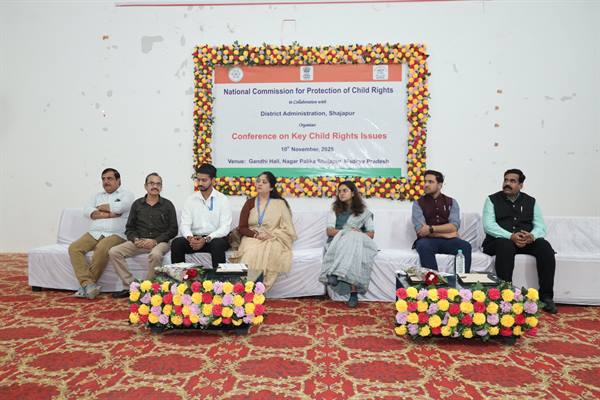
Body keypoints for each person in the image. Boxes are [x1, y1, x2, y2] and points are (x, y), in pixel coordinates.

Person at [482, 168, 557, 313]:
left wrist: (531, 236)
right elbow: (489, 225)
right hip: (499, 241)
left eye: (512, 181)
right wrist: (510, 236)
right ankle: (505, 296)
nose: (507, 183)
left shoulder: (531, 201)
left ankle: (546, 297)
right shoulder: (491, 200)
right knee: (505, 245)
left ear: (521, 185)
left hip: (525, 241)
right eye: (506, 180)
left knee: (545, 247)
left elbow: (540, 226)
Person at [108, 173, 178, 298]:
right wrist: (135, 239)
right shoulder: (137, 204)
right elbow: (129, 228)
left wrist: (155, 241)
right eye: (151, 183)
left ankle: (147, 288)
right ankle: (131, 286)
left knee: (155, 254)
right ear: (145, 186)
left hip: (160, 242)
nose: (155, 186)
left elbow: (173, 230)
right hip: (140, 241)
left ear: (161, 187)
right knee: (114, 251)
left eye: (158, 184)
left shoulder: (168, 205)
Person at [68, 168, 134, 299]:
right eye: (103, 179)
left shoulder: (127, 195)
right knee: (74, 248)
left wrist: (100, 208)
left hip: (117, 234)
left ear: (118, 181)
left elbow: (121, 207)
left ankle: (87, 286)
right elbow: (87, 211)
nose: (106, 181)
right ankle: (88, 284)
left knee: (102, 248)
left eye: (110, 178)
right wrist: (110, 214)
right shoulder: (96, 196)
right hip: (95, 232)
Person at [230, 171, 297, 291]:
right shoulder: (250, 203)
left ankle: (261, 289)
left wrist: (271, 234)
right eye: (258, 181)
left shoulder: (280, 204)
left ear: (271, 187)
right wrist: (256, 234)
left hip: (273, 237)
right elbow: (242, 227)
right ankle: (246, 288)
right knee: (250, 253)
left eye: (264, 182)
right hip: (252, 237)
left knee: (274, 250)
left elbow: (287, 228)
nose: (259, 184)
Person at [319, 181, 377, 308]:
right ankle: (353, 294)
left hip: (358, 243)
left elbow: (371, 234)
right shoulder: (335, 209)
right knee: (351, 239)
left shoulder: (363, 211)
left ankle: (335, 273)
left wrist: (356, 234)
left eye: (344, 190)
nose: (341, 193)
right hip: (337, 242)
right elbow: (330, 231)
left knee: (353, 241)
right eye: (339, 191)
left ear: (353, 193)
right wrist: (347, 232)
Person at [170, 164, 232, 268]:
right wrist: (190, 238)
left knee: (218, 244)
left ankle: (219, 278)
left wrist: (206, 239)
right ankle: (179, 277)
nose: (200, 183)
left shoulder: (223, 200)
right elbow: (184, 225)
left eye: (204, 180)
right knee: (177, 243)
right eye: (198, 180)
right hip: (194, 239)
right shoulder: (190, 200)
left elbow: (225, 228)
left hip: (213, 239)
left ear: (213, 180)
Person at [411, 170, 472, 272]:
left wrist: (431, 229)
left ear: (440, 185)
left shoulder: (452, 202)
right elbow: (421, 230)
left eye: (430, 182)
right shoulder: (418, 204)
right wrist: (448, 234)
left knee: (465, 246)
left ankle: (461, 280)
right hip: (427, 241)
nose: (426, 184)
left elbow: (454, 226)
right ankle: (433, 280)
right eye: (425, 181)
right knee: (423, 246)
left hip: (448, 242)